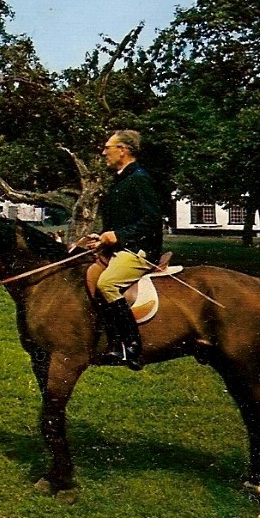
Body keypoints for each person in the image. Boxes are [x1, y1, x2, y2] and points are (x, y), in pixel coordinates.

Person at [84, 129, 164, 370]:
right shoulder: (121, 179)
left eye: (108, 147)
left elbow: (152, 219)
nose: (103, 152)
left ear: (123, 150)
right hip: (123, 246)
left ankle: (131, 346)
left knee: (106, 284)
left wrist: (118, 236)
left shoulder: (139, 178)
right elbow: (124, 221)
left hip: (140, 250)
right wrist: (103, 238)